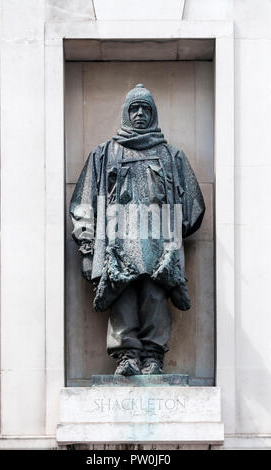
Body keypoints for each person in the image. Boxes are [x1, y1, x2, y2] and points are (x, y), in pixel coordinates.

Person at [70, 84, 205, 376]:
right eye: (135, 108)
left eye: (146, 109)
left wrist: (172, 232)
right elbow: (83, 204)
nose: (140, 114)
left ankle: (153, 356)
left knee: (156, 299)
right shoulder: (104, 154)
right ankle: (127, 356)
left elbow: (194, 205)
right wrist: (88, 249)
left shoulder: (172, 156)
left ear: (153, 114)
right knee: (123, 300)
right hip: (117, 248)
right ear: (126, 113)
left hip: (159, 248)